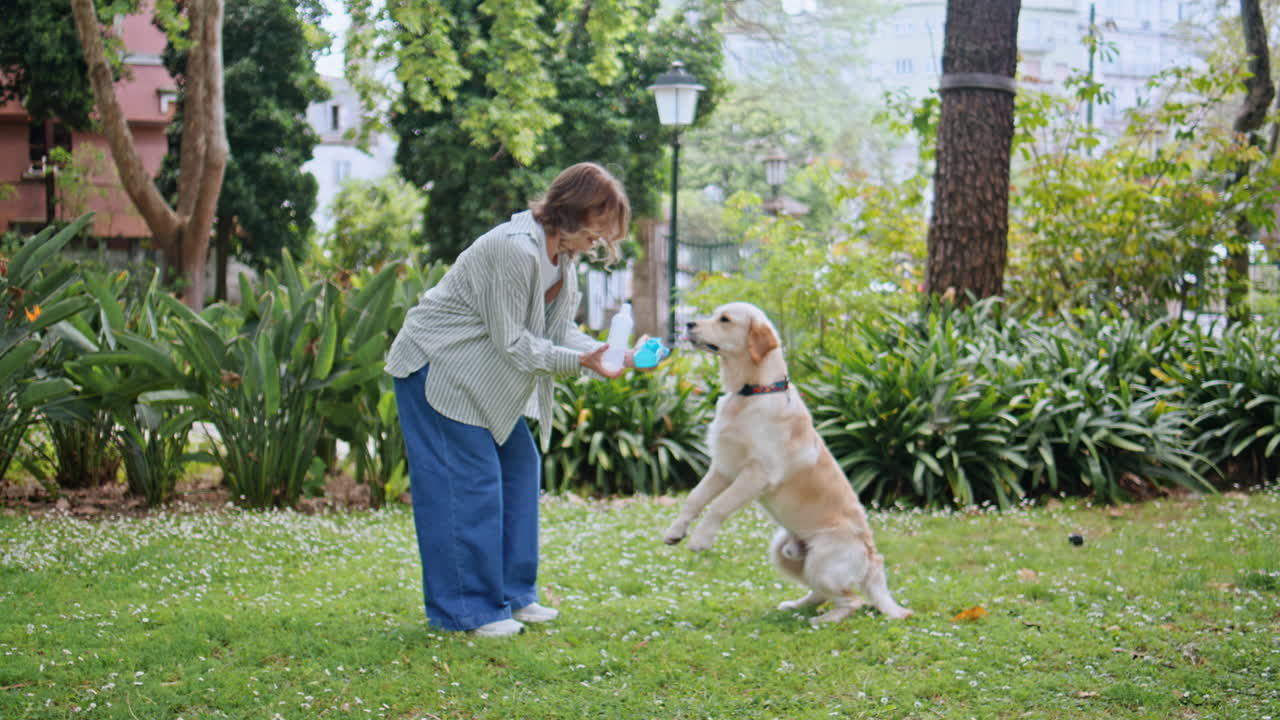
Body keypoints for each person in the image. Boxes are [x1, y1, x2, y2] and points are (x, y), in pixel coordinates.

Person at [385, 162, 645, 637]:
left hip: (479, 379)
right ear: (573, 212)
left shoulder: (562, 259)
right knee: (467, 487)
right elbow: (514, 342)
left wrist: (613, 355)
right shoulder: (513, 251)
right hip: (438, 370)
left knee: (519, 469)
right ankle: (470, 611)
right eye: (599, 229)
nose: (602, 242)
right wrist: (581, 363)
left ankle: (513, 594)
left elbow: (559, 331)